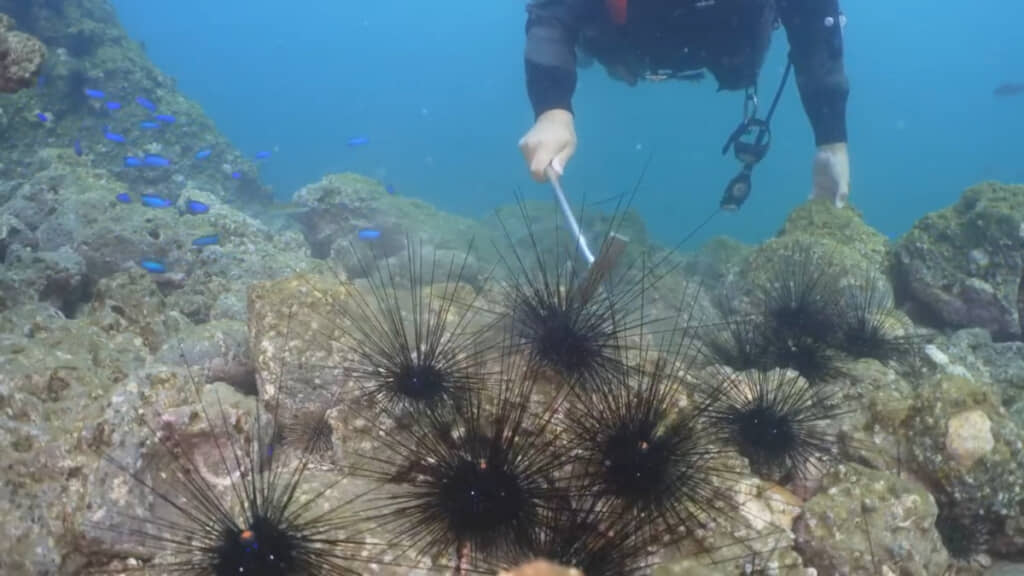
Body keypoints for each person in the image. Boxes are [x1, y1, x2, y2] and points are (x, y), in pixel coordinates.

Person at [518, 0, 851, 208]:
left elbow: (814, 26)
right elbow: (552, 16)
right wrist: (553, 110)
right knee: (591, 36)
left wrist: (831, 141)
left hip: (728, 43)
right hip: (627, 43)